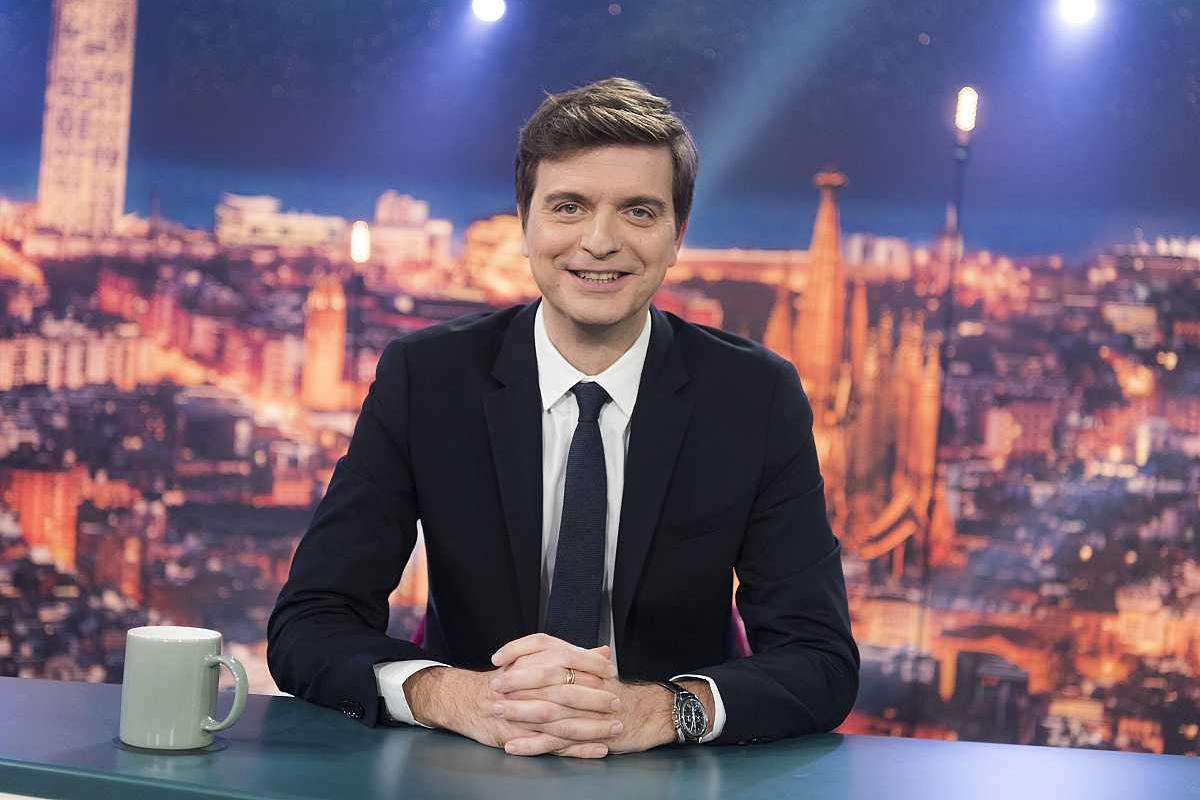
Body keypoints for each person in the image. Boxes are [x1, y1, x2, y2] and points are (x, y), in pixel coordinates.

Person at [268, 77, 859, 758]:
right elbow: (310, 622)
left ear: (677, 235)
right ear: (525, 224)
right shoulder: (426, 380)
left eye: (638, 211)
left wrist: (661, 711)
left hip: (671, 773)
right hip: (465, 768)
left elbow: (820, 660)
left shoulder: (755, 397)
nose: (600, 242)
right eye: (569, 207)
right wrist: (458, 698)